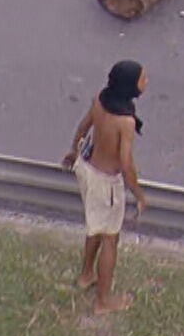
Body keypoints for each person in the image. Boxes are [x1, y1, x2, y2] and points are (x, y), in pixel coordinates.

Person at [60, 59, 149, 313]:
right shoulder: (126, 123)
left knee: (94, 228)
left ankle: (86, 274)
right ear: (130, 87)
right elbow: (125, 162)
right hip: (106, 184)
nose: (146, 82)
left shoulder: (100, 99)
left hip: (87, 170)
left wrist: (73, 150)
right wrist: (139, 195)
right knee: (110, 239)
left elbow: (83, 127)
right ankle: (103, 301)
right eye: (143, 79)